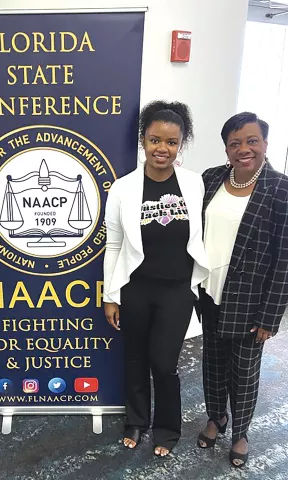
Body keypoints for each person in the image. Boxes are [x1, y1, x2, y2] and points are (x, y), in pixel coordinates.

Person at [197, 112, 288, 467]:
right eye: (235, 143)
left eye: (252, 141)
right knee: (212, 363)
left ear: (265, 144)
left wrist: (270, 317)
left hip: (251, 302)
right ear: (226, 148)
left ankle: (241, 432)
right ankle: (217, 417)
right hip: (209, 291)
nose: (244, 149)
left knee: (243, 371)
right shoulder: (211, 178)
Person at [103, 101, 209, 456]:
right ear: (143, 141)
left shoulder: (194, 185)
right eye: (154, 140)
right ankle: (136, 420)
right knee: (134, 358)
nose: (162, 149)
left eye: (171, 142)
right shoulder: (123, 188)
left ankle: (166, 427)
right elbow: (114, 243)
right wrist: (111, 294)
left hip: (177, 290)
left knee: (164, 363)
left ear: (181, 144)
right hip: (136, 288)